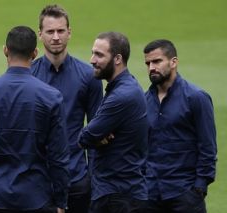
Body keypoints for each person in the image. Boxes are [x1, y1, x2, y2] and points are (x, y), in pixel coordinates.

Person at [0, 25, 70, 213]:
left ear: (5, 50)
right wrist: (61, 201)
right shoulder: (51, 97)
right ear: (35, 53)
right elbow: (59, 157)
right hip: (36, 197)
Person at [31, 5, 103, 212]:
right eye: (50, 31)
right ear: (40, 35)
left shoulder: (89, 77)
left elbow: (97, 130)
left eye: (61, 31)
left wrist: (92, 176)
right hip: (37, 180)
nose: (55, 37)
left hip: (77, 178)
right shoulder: (30, 76)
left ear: (69, 33)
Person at [143, 39, 217, 213]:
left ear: (174, 62)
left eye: (157, 61)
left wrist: (199, 186)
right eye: (148, 63)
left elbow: (208, 147)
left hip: (184, 194)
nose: (152, 67)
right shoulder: (144, 100)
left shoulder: (196, 98)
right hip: (150, 194)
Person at [78, 31, 148, 212]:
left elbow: (85, 136)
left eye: (99, 55)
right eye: (93, 53)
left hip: (117, 196)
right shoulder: (125, 87)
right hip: (121, 192)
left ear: (117, 59)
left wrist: (94, 138)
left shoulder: (121, 96)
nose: (92, 60)